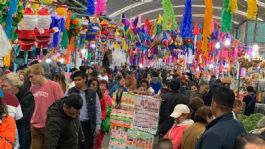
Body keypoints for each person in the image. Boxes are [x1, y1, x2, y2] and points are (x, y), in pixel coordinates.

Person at [26, 64, 64, 149]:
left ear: (39, 73)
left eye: (31, 77)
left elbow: (61, 104)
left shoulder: (55, 86)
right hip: (35, 125)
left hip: (50, 125)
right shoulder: (32, 88)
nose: (30, 79)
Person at [67, 70, 102, 148]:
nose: (76, 82)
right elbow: (64, 105)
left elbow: (98, 109)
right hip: (73, 124)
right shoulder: (70, 91)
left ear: (85, 79)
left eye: (79, 80)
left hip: (88, 125)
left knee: (87, 146)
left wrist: (98, 126)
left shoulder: (92, 93)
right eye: (75, 80)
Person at [2, 73, 35, 149]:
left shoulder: (28, 97)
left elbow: (24, 121)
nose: (3, 89)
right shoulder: (4, 95)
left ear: (15, 86)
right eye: (2, 86)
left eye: (5, 86)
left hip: (22, 134)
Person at [95, 80, 113, 149]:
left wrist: (102, 117)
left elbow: (108, 110)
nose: (102, 87)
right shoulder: (94, 94)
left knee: (99, 141)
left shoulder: (108, 97)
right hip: (94, 121)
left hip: (102, 122)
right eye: (101, 85)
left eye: (104, 86)